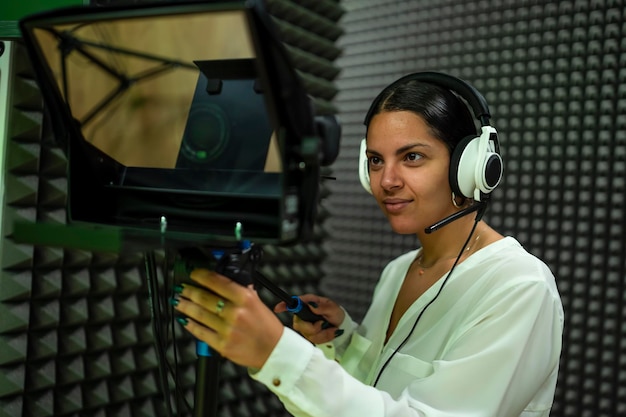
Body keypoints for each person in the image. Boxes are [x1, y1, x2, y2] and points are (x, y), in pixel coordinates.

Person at [172, 73, 564, 416]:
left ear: (470, 166)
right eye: (376, 160)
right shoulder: (399, 270)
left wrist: (275, 353)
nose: (386, 180)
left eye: (412, 157)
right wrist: (345, 340)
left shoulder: (518, 287)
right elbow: (381, 390)